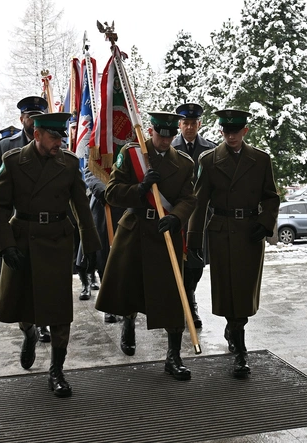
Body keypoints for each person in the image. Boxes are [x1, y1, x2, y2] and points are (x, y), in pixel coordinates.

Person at [0, 112, 101, 397]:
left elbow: (81, 207)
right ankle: (28, 333)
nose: (59, 142)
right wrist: (5, 246)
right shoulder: (13, 162)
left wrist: (90, 246)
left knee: (59, 312)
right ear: (37, 135)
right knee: (24, 304)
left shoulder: (69, 163)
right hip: (22, 240)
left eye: (62, 137)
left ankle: (57, 370)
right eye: (53, 136)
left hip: (56, 242)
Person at [95, 112, 196, 381]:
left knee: (173, 295)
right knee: (130, 286)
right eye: (160, 135)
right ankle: (128, 322)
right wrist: (140, 189)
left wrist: (176, 217)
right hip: (136, 229)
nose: (164, 141)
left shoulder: (184, 163)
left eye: (169, 136)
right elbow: (112, 192)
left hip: (167, 233)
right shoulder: (132, 154)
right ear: (151, 131)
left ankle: (173, 356)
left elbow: (189, 197)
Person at [187, 109, 280, 378]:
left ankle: (235, 329)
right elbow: (199, 201)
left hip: (251, 231)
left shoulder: (261, 159)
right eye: (226, 131)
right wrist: (194, 240)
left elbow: (271, 196)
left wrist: (264, 224)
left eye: (236, 131)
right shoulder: (209, 159)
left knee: (245, 289)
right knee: (228, 289)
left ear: (245, 131)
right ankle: (240, 348)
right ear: (220, 132)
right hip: (222, 233)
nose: (231, 136)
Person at [0, 98, 51, 342]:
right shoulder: (6, 147)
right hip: (17, 225)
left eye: (38, 116)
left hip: (47, 228)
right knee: (21, 283)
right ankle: (28, 330)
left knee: (45, 280)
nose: (32, 120)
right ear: (21, 119)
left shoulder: (55, 145)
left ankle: (43, 324)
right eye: (29, 116)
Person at [171, 102, 217, 328]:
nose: (189, 127)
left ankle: (190, 299)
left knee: (196, 262)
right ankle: (177, 303)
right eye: (185, 123)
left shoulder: (211, 150)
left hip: (200, 217)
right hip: (175, 215)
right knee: (173, 260)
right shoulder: (169, 147)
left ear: (200, 124)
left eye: (193, 123)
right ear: (179, 124)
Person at [79, 165, 125, 323]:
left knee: (126, 259)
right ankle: (109, 305)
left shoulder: (131, 141)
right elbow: (89, 171)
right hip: (103, 205)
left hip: (127, 203)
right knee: (105, 259)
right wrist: (105, 193)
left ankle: (125, 305)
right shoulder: (96, 142)